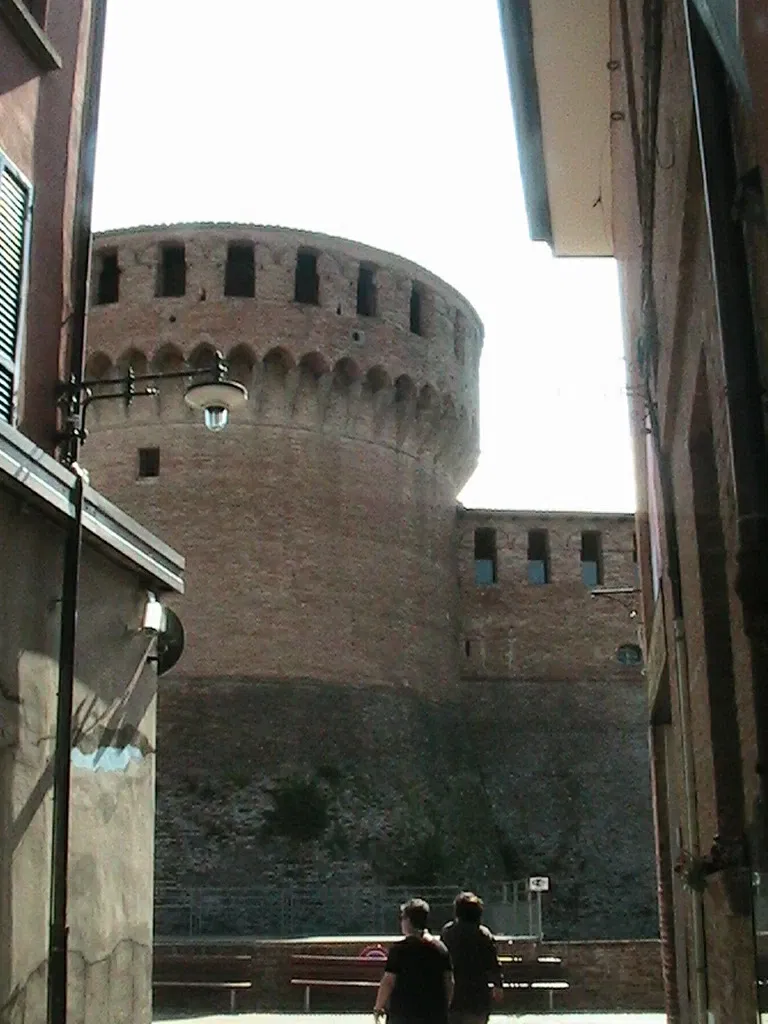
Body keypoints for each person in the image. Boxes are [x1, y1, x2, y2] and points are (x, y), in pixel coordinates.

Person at [374, 897, 453, 1024]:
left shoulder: (399, 950)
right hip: (434, 1015)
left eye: (402, 918)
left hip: (403, 1015)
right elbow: (448, 982)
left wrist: (378, 1007)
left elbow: (388, 981)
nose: (401, 922)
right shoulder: (440, 949)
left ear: (408, 921)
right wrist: (445, 1007)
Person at [440, 892, 503, 1024]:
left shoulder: (448, 932)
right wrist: (498, 985)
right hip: (477, 995)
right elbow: (492, 963)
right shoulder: (483, 934)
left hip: (454, 995)